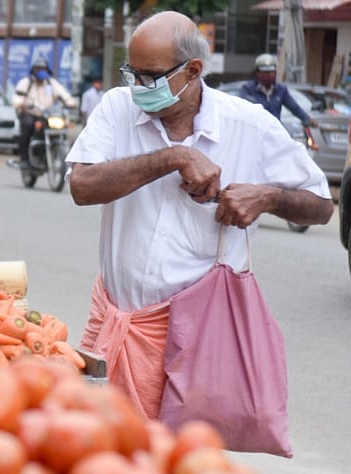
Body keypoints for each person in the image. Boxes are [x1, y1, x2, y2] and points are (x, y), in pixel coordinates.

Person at [65, 11, 333, 420]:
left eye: (150, 76)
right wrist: (173, 158)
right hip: (114, 326)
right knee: (99, 445)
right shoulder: (118, 108)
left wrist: (266, 197)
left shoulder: (250, 126)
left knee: (183, 452)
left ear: (192, 71)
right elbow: (82, 187)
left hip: (198, 342)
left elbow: (322, 206)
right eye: (131, 73)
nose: (137, 87)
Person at [11, 54, 77, 170]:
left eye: (43, 69)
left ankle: (54, 154)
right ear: (33, 70)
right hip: (31, 113)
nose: (41, 71)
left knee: (63, 127)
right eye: (38, 69)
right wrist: (22, 103)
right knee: (27, 126)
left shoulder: (51, 83)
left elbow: (64, 95)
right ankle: (25, 160)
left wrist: (71, 103)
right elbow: (17, 99)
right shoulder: (26, 83)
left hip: (48, 116)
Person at [239, 53, 317, 127]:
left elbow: (295, 108)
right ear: (257, 73)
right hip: (256, 128)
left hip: (275, 129)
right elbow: (241, 108)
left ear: (275, 72)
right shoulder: (248, 89)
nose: (268, 75)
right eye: (265, 72)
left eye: (271, 72)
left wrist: (308, 119)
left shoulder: (281, 90)